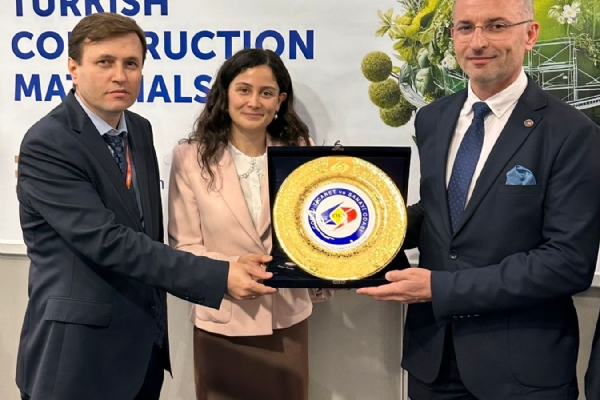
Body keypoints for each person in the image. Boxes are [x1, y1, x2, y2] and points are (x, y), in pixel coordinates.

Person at [15, 13, 277, 400]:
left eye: (131, 63)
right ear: (73, 67)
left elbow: (145, 233)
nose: (120, 76)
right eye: (105, 62)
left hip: (142, 353)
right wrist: (219, 275)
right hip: (77, 358)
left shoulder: (138, 129)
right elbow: (108, 242)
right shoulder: (48, 143)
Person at [358, 0, 600, 398]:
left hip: (522, 373)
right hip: (432, 362)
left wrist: (442, 289)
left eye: (496, 25)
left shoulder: (571, 132)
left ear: (530, 35)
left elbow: (567, 262)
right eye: (465, 27)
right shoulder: (432, 118)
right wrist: (361, 231)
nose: (478, 42)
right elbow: (440, 212)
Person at [168, 48, 331, 400]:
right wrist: (228, 272)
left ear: (280, 101)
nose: (254, 102)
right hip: (221, 322)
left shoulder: (302, 150)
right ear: (225, 94)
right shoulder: (190, 157)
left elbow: (318, 233)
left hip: (286, 318)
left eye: (266, 93)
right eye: (243, 90)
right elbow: (184, 246)